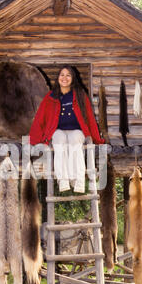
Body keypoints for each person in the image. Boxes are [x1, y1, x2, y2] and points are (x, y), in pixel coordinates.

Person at [29, 65, 105, 193]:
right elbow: (40, 117)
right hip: (57, 131)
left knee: (75, 140)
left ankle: (78, 181)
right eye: (62, 75)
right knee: (59, 141)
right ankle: (63, 180)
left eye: (68, 75)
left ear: (73, 78)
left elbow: (90, 117)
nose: (64, 78)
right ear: (58, 78)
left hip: (77, 130)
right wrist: (33, 140)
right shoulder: (51, 96)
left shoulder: (80, 95)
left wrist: (96, 138)